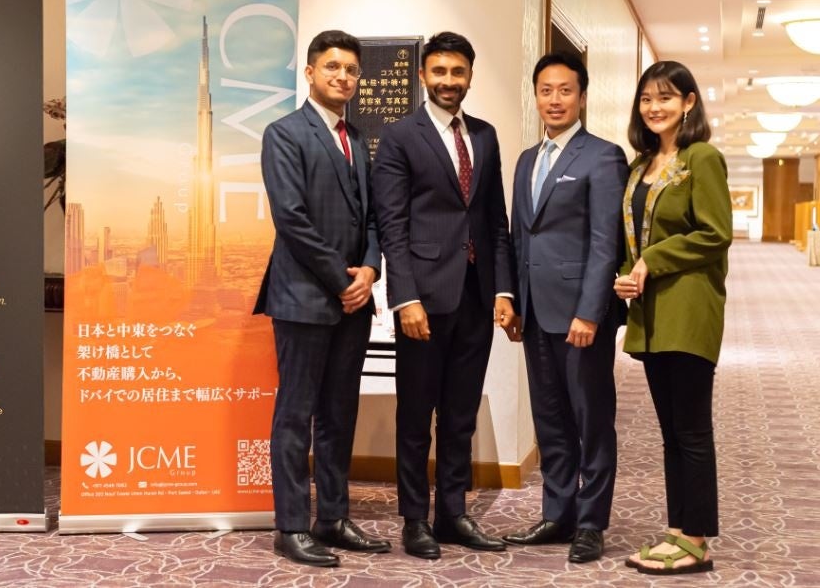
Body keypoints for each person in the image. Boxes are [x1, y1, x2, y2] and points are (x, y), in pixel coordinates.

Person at [372, 31, 514, 559]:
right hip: (423, 301)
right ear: (422, 75)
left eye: (458, 72)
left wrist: (504, 289)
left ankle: (452, 513)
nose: (448, 81)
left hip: (476, 297)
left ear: (470, 76)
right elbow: (392, 225)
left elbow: (495, 220)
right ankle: (415, 519)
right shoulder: (399, 137)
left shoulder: (486, 136)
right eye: (439, 72)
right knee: (415, 415)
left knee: (460, 414)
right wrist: (405, 298)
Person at [254, 29, 390, 568]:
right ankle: (290, 525)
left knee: (339, 411)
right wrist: (342, 279)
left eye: (352, 70)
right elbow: (291, 218)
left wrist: (370, 271)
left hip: (353, 300)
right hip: (304, 298)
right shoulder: (284, 133)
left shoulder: (357, 137)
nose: (344, 77)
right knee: (296, 413)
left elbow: (373, 217)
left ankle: (332, 517)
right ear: (310, 72)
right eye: (333, 67)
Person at [501, 52, 628, 563]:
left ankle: (591, 523)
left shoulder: (603, 156)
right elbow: (518, 237)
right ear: (535, 96)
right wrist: (510, 298)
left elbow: (605, 242)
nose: (555, 100)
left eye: (565, 90)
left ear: (582, 97)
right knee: (550, 417)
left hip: (580, 316)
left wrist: (590, 311)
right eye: (546, 90)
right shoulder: (527, 160)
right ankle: (558, 514)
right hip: (534, 312)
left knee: (591, 419)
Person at [614, 60, 732, 576]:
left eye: (665, 97)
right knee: (671, 431)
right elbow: (634, 235)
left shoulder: (701, 157)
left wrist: (651, 261)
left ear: (688, 102)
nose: (654, 107)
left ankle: (696, 541)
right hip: (651, 312)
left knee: (692, 429)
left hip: (688, 308)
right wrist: (627, 273)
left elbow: (715, 233)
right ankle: (679, 531)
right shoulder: (641, 165)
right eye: (646, 98)